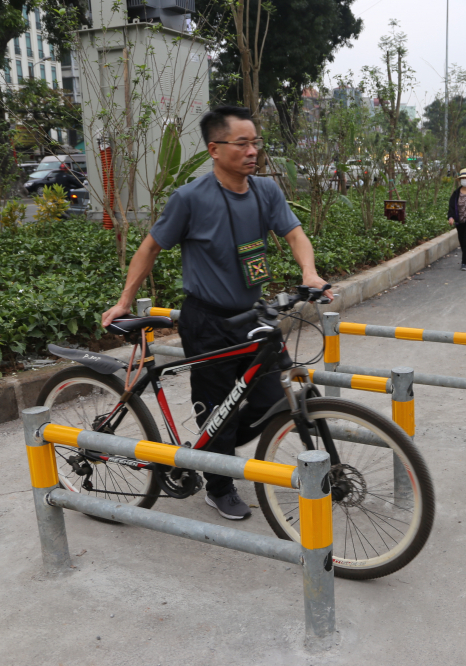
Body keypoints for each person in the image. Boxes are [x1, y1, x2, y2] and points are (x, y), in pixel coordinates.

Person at [101, 105, 332, 519]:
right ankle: (219, 484)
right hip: (207, 321)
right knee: (217, 403)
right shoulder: (191, 198)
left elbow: (295, 234)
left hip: (255, 317)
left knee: (268, 402)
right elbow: (150, 247)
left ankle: (211, 448)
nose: (252, 151)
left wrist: (310, 274)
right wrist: (123, 300)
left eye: (255, 142)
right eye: (241, 143)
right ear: (214, 149)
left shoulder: (266, 192)